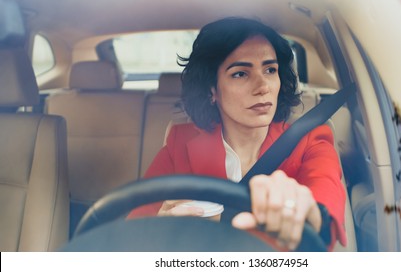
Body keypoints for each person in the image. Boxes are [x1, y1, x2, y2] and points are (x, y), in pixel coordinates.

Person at [127, 17, 346, 250]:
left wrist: (310, 216)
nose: (263, 86)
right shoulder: (179, 142)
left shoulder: (310, 140)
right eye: (240, 74)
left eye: (270, 70)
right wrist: (158, 231)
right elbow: (134, 231)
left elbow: (324, 197)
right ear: (212, 90)